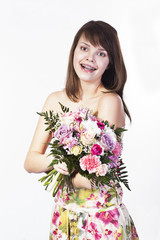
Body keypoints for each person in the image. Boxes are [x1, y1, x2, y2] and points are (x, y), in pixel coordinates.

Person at [24, 20, 139, 240]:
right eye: (84, 48)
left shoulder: (109, 101)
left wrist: (55, 169)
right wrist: (56, 163)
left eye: (101, 53)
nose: (90, 58)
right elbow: (30, 161)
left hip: (102, 221)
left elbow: (93, 180)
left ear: (110, 63)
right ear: (74, 51)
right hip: (64, 218)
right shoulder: (54, 100)